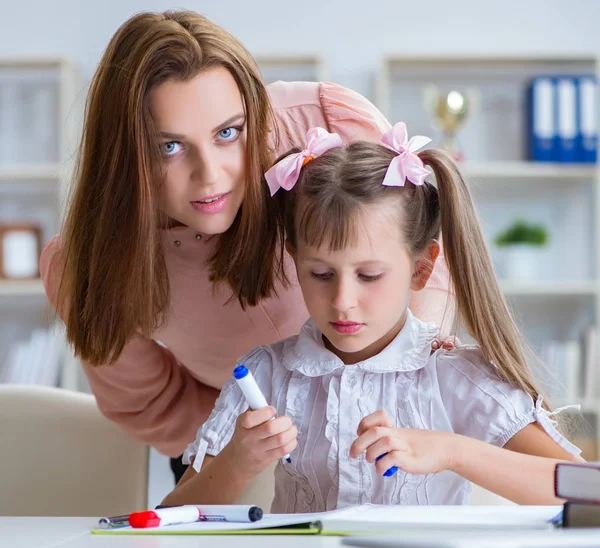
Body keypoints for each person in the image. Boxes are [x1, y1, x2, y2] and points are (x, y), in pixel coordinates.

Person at [39, 10, 453, 483]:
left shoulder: (321, 127)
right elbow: (150, 402)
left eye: (227, 133)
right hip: (240, 449)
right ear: (123, 151)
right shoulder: (89, 264)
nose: (210, 175)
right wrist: (245, 446)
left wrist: (401, 391)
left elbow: (419, 254)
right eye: (169, 147)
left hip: (388, 427)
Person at [163, 123, 582, 512]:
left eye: (369, 275)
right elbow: (165, 521)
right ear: (294, 258)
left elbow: (588, 491)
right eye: (321, 274)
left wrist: (454, 451)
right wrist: (236, 463)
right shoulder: (266, 374)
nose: (343, 301)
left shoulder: (455, 377)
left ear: (421, 268)